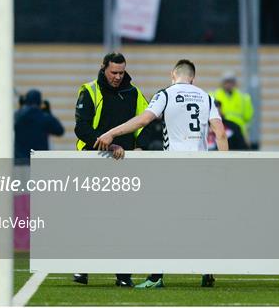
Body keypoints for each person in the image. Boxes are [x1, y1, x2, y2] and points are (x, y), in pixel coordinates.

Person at [95, 59, 228, 289]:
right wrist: (226, 167)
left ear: (172, 75)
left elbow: (144, 120)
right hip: (202, 168)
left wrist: (111, 133)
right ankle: (207, 270)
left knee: (159, 221)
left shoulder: (166, 94)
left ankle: (156, 276)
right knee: (200, 219)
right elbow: (220, 133)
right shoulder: (206, 97)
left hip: (174, 168)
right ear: (192, 78)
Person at [73, 52, 149, 287]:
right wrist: (108, 143)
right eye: (113, 72)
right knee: (92, 218)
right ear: (103, 68)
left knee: (123, 220)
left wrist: (139, 146)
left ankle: (123, 274)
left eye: (121, 72)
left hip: (124, 165)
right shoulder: (89, 90)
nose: (117, 76)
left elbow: (146, 122)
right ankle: (82, 268)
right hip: (93, 161)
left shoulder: (134, 93)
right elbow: (81, 129)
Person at [14, 89, 64, 160]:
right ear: (40, 102)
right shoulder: (45, 117)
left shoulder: (17, 116)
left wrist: (21, 107)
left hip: (20, 160)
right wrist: (48, 112)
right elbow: (60, 130)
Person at [211, 72, 253, 146]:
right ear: (222, 83)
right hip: (221, 131)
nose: (229, 84)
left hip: (238, 133)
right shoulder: (213, 95)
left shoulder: (243, 98)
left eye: (231, 82)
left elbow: (248, 116)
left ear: (234, 83)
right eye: (227, 82)